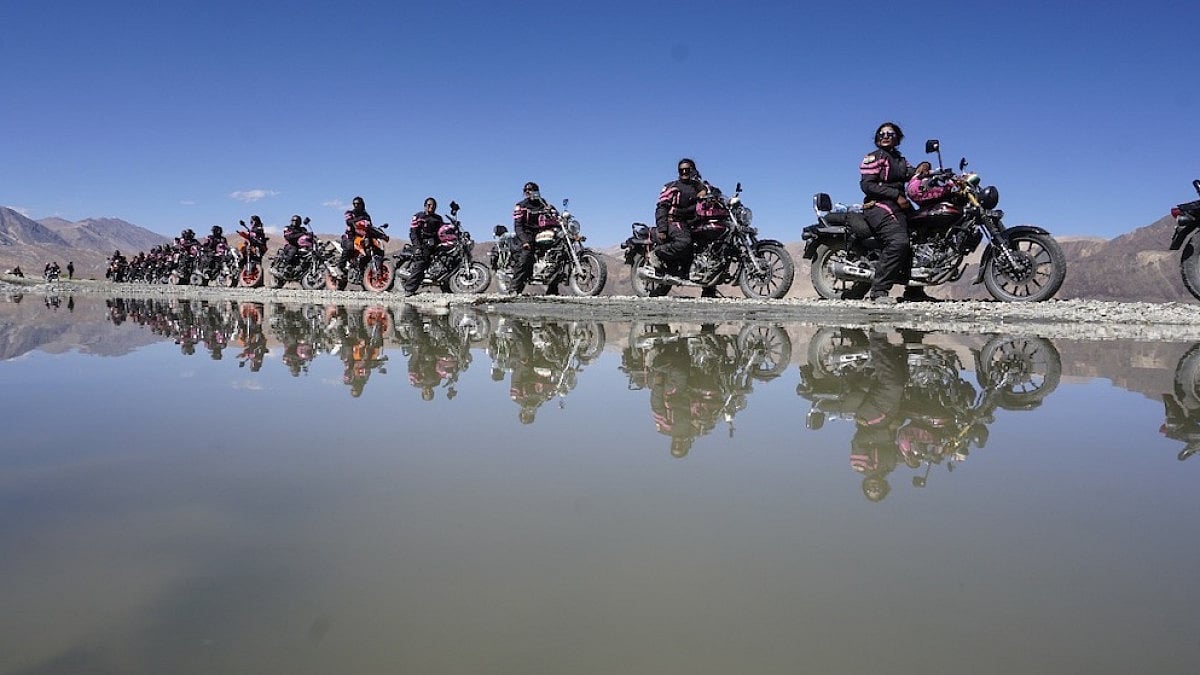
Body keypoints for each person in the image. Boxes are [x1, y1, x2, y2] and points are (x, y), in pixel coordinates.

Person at [859, 122, 937, 303]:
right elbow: (867, 185)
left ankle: (914, 290)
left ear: (897, 138)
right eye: (882, 133)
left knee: (920, 239)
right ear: (877, 137)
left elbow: (912, 173)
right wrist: (895, 195)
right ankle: (879, 291)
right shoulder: (874, 157)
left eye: (890, 134)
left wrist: (924, 167)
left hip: (899, 206)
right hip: (878, 205)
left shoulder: (899, 159)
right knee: (898, 242)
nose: (885, 136)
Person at [654, 158, 718, 297]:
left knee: (709, 247)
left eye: (687, 170)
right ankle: (657, 253)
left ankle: (708, 288)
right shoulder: (672, 187)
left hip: (692, 223)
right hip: (674, 221)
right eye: (681, 170)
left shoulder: (700, 185)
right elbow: (661, 207)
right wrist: (662, 228)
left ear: (693, 170)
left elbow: (716, 193)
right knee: (685, 242)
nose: (684, 172)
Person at [509, 182, 562, 296]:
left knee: (557, 254)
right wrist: (524, 240)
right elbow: (518, 225)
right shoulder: (521, 206)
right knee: (526, 255)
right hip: (527, 233)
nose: (529, 192)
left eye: (532, 189)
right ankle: (514, 288)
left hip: (542, 233)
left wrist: (557, 216)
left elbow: (557, 216)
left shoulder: (544, 204)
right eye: (527, 190)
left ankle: (552, 288)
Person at [401, 197, 445, 297]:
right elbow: (413, 233)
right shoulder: (419, 216)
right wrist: (417, 246)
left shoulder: (438, 218)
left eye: (433, 205)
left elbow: (442, 231)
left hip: (435, 243)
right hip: (423, 244)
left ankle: (446, 285)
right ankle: (409, 289)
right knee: (421, 261)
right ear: (425, 206)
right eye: (429, 205)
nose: (431, 207)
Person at [339, 196, 372, 275]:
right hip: (350, 236)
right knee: (349, 248)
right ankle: (340, 266)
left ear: (362, 204)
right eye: (354, 204)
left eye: (358, 204)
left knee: (368, 251)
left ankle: (362, 269)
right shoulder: (350, 213)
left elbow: (370, 225)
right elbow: (349, 222)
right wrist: (360, 218)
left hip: (361, 237)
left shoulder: (366, 215)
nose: (356, 205)